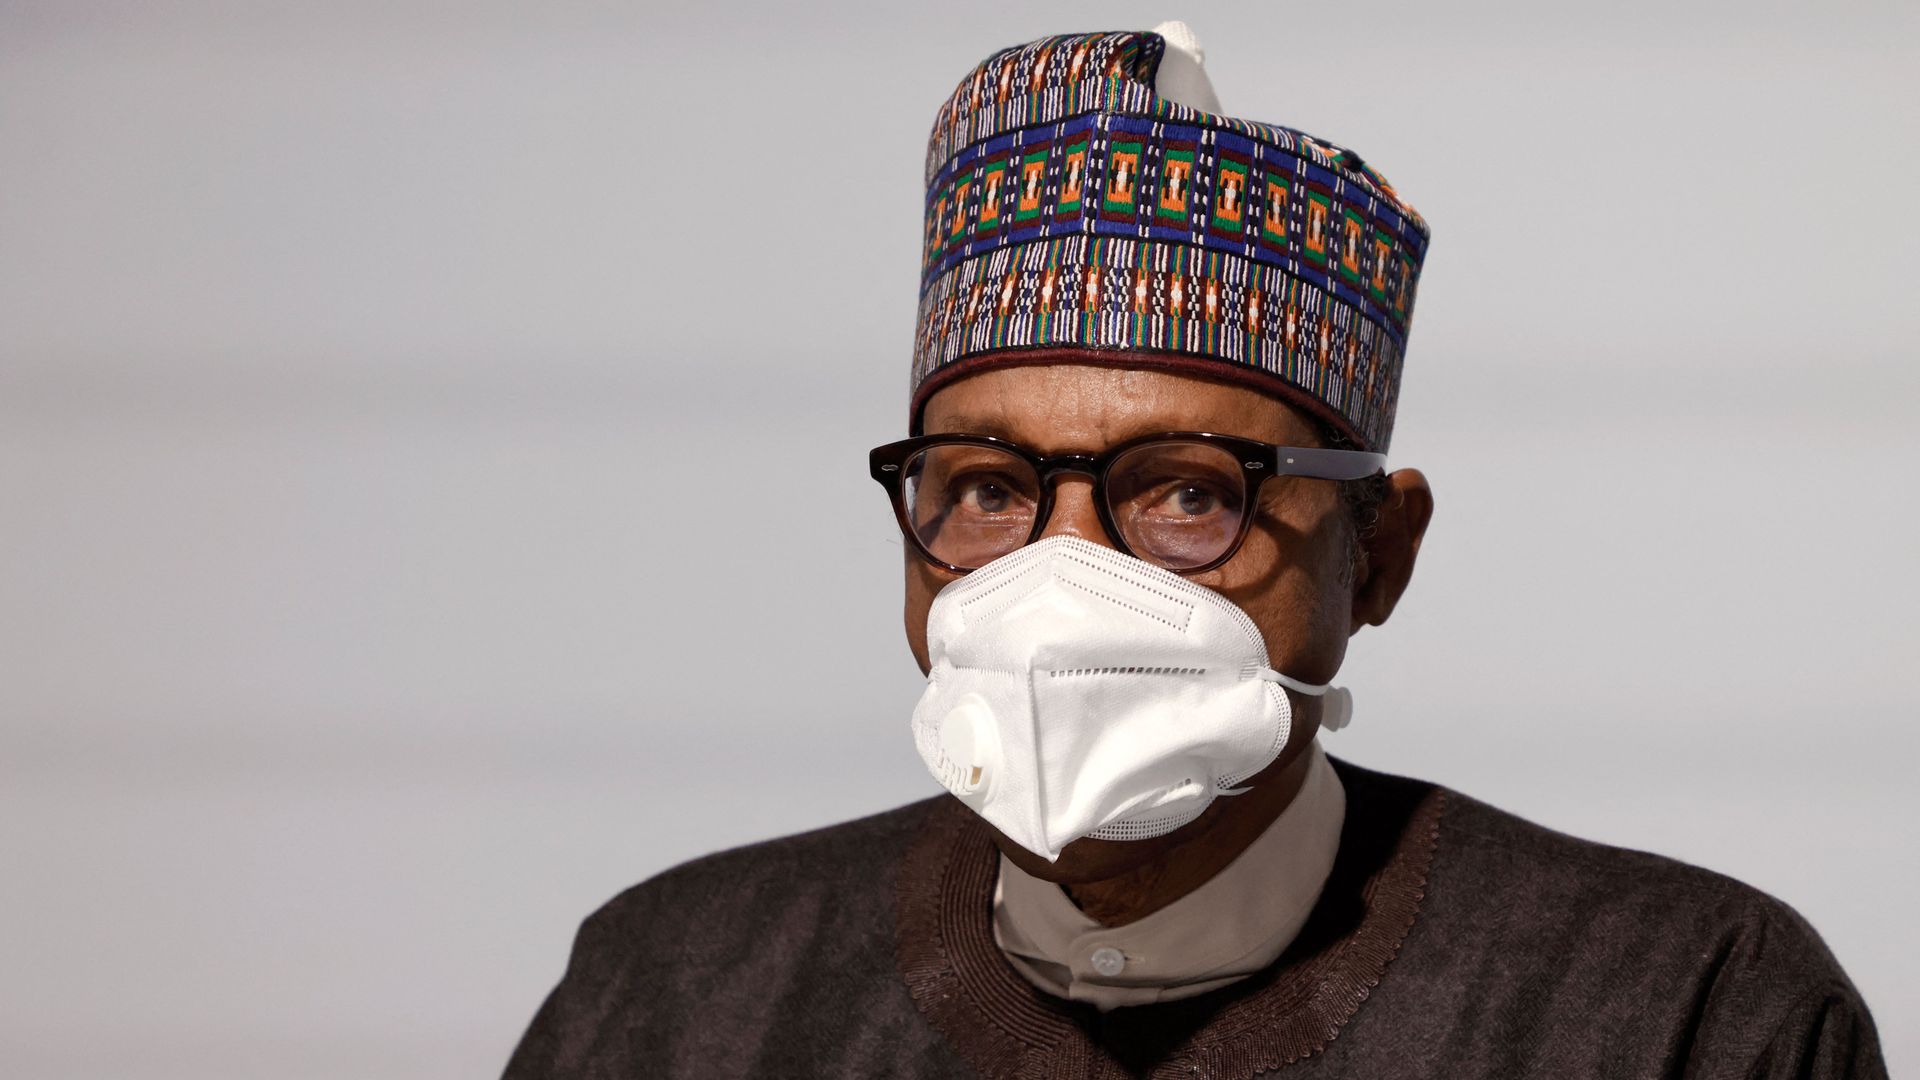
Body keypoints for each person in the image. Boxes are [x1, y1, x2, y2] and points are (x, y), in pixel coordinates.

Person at [503, 24, 1885, 1079]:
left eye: (1182, 493)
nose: (1058, 580)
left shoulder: (1681, 1011)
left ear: (1378, 554)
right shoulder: (679, 996)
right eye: (985, 489)